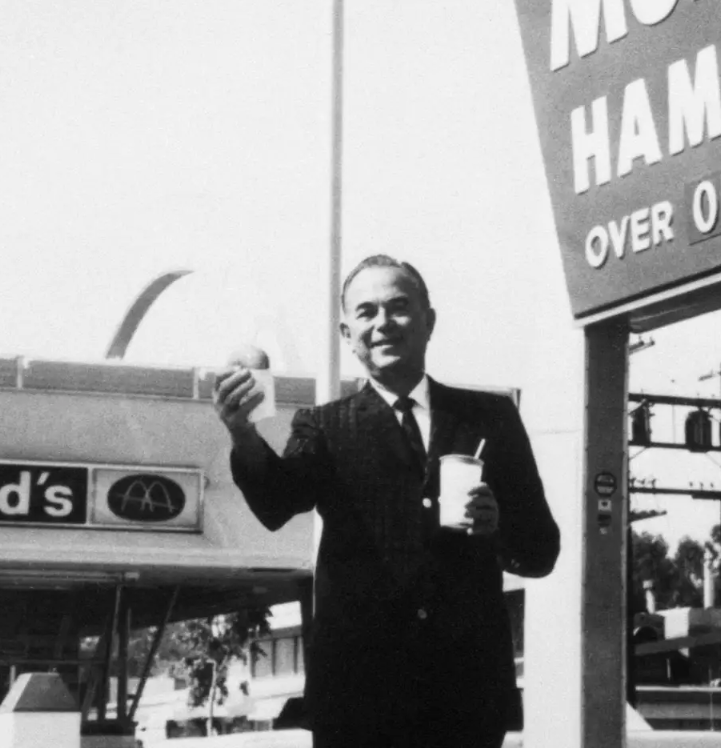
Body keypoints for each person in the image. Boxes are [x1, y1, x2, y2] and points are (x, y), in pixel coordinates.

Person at [215, 254, 560, 748]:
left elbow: (542, 550)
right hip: (358, 701)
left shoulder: (491, 418)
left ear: (429, 321)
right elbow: (275, 503)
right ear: (346, 331)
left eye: (399, 307)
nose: (383, 324)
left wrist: (497, 526)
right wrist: (242, 433)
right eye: (367, 312)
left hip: (465, 698)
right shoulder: (325, 427)